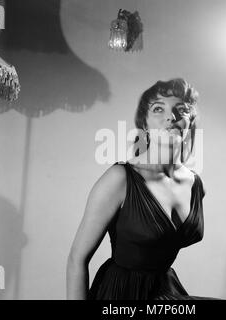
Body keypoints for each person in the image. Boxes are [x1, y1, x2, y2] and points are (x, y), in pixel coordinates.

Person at [66, 78, 210, 300]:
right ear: (144, 123)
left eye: (180, 110)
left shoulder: (195, 184)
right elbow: (77, 259)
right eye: (158, 109)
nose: (171, 117)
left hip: (164, 292)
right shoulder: (120, 179)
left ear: (190, 121)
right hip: (121, 295)